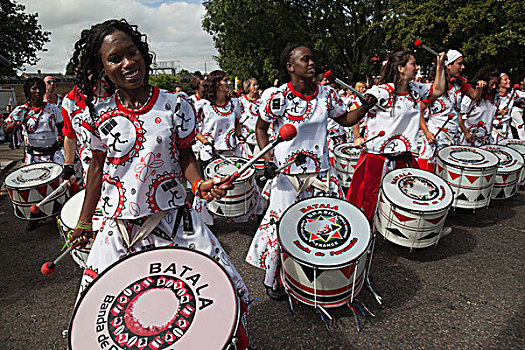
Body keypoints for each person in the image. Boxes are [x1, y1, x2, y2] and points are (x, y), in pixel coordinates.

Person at [68, 20, 250, 311]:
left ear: (143, 54)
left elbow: (186, 155)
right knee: (100, 310)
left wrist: (198, 184)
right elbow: (96, 170)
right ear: (103, 68)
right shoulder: (95, 114)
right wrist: (84, 221)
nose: (127, 63)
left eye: (133, 53)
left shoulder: (175, 105)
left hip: (174, 218)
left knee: (224, 290)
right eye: (114, 59)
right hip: (120, 227)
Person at [245, 45, 375, 300]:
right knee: (283, 226)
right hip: (287, 175)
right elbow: (261, 128)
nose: (311, 62)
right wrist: (267, 159)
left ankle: (316, 279)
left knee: (321, 227)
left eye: (312, 58)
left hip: (321, 173)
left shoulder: (327, 95)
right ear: (290, 67)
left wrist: (365, 108)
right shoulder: (277, 97)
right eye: (305, 59)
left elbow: (346, 119)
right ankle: (274, 279)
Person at [346, 50, 447, 225]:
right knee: (370, 198)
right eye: (412, 64)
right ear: (400, 68)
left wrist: (440, 65)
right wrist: (356, 136)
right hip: (378, 157)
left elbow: (438, 89)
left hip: (403, 156)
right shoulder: (382, 91)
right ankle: (364, 235)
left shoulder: (415, 89)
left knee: (409, 196)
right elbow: (355, 109)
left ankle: (407, 230)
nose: (416, 68)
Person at [193, 71, 264, 224]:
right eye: (225, 80)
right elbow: (193, 129)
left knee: (244, 184)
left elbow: (237, 122)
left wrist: (239, 136)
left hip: (233, 151)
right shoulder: (203, 105)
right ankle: (203, 224)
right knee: (208, 190)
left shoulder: (235, 103)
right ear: (216, 83)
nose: (229, 83)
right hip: (211, 154)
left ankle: (258, 217)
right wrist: (205, 142)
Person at [417, 50, 485, 171]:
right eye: (459, 64)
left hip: (453, 139)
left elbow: (474, 95)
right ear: (448, 65)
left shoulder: (459, 84)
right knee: (429, 176)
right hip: (436, 138)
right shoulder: (434, 88)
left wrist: (479, 88)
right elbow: (419, 111)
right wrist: (427, 133)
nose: (462, 67)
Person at [4, 77, 64, 166]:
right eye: (34, 89)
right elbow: (7, 129)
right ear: (28, 91)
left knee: (61, 176)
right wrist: (15, 125)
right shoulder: (21, 110)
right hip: (33, 155)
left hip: (53, 153)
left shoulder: (52, 108)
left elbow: (61, 127)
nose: (38, 91)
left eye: (40, 88)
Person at [459, 66, 500, 146]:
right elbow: (459, 118)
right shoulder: (471, 97)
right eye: (492, 84)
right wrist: (466, 133)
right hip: (469, 141)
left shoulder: (496, 97)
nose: (494, 87)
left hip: (486, 141)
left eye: (496, 84)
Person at [494, 73, 525, 142]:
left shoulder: (513, 94)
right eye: (505, 79)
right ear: (499, 82)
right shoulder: (492, 94)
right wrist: (498, 112)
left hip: (506, 131)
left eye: (509, 79)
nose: (509, 81)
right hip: (493, 130)